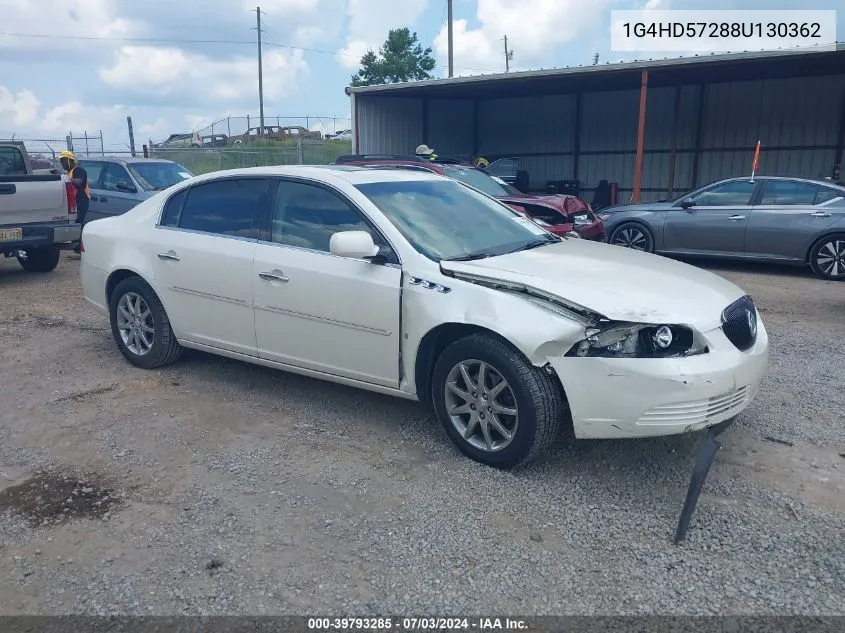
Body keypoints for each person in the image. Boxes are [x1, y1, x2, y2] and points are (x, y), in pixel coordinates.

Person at [59, 150, 89, 256]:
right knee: (76, 224)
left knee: (78, 224)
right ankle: (78, 248)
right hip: (74, 202)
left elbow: (79, 182)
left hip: (82, 201)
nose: (62, 164)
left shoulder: (79, 170)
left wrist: (66, 178)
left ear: (69, 160)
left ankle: (80, 249)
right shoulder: (68, 173)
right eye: (61, 161)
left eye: (63, 161)